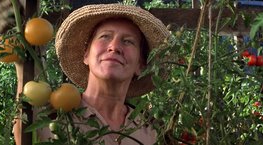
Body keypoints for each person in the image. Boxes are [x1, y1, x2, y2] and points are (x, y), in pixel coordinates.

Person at [43, 3, 170, 145]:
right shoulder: (56, 117)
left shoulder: (151, 131)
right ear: (86, 54)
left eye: (128, 41)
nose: (114, 47)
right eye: (105, 36)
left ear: (140, 65)